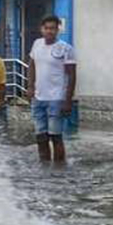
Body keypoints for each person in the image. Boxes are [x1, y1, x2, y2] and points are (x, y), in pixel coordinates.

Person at [27, 14, 77, 164]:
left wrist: (68, 100)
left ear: (58, 30)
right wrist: (30, 86)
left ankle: (59, 169)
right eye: (46, 28)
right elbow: (32, 65)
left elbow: (72, 75)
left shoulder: (66, 48)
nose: (49, 31)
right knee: (40, 136)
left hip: (56, 98)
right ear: (41, 29)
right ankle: (45, 166)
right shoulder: (37, 44)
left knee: (55, 136)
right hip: (38, 97)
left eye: (53, 29)